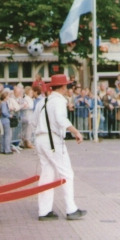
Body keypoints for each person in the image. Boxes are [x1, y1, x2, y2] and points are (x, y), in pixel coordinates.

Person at [32, 74, 86, 221]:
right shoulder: (59, 101)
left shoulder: (42, 101)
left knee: (47, 174)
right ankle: (71, 209)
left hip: (40, 139)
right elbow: (61, 119)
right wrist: (76, 132)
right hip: (53, 140)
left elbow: (33, 121)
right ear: (63, 87)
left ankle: (44, 211)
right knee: (66, 172)